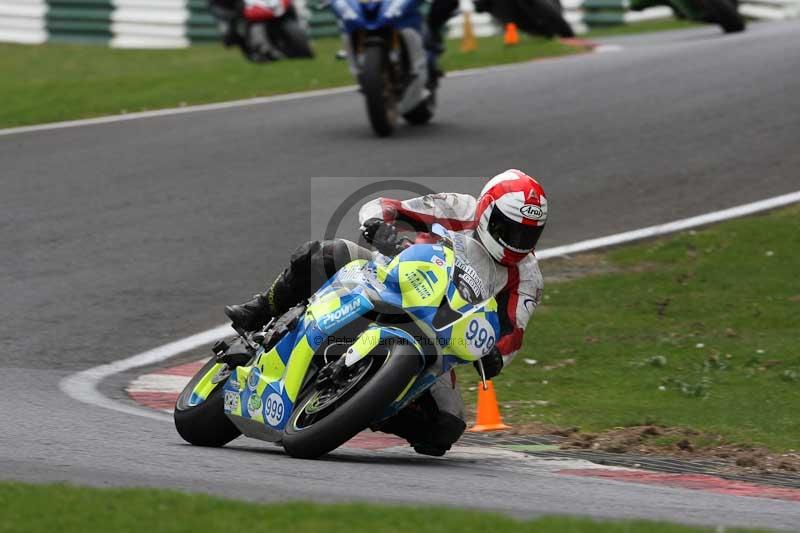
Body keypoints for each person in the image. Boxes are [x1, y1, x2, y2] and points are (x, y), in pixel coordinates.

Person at [225, 169, 547, 455]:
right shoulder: (459, 208)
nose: (518, 242)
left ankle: (364, 405)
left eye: (528, 235)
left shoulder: (528, 278)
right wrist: (377, 225)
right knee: (326, 253)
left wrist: (494, 356)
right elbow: (387, 206)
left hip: (438, 340)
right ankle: (262, 309)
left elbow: (512, 333)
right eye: (509, 229)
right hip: (387, 279)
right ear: (486, 211)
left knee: (446, 427)